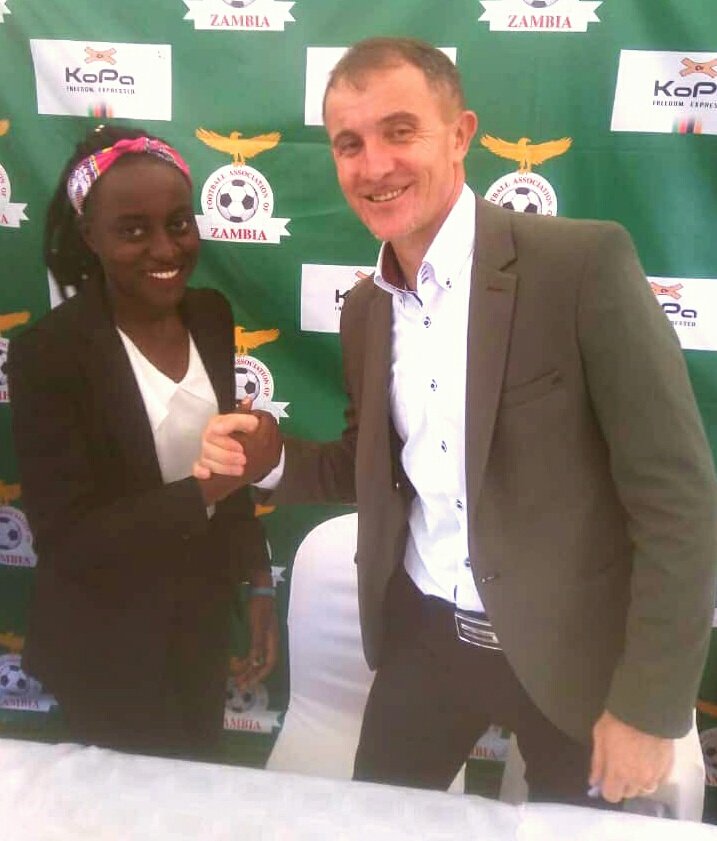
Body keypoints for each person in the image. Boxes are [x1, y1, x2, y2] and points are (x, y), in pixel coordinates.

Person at [195, 37, 717, 805]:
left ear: (460, 134)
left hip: (572, 654)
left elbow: (677, 499)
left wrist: (647, 706)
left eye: (399, 131)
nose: (374, 165)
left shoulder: (579, 265)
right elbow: (371, 464)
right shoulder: (366, 309)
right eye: (349, 143)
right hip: (425, 641)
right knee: (375, 821)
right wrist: (270, 459)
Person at [8, 125, 278, 759]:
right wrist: (215, 484)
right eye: (133, 230)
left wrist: (258, 583)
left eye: (178, 223)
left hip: (200, 624)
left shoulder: (209, 314)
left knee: (196, 789)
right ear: (89, 235)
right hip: (106, 646)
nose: (165, 248)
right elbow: (71, 540)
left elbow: (226, 460)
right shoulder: (50, 353)